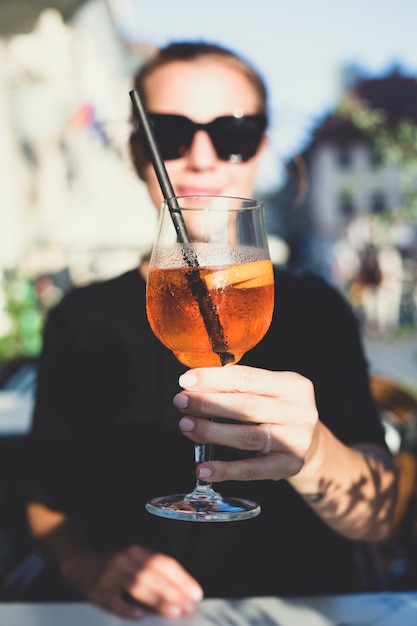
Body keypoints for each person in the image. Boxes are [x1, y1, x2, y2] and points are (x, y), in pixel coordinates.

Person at [10, 41, 396, 620]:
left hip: (304, 605)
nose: (200, 157)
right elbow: (44, 495)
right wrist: (81, 563)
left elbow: (379, 513)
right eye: (169, 133)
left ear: (260, 147)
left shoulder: (315, 306)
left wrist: (313, 452)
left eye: (232, 133)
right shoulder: (79, 317)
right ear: (138, 151)